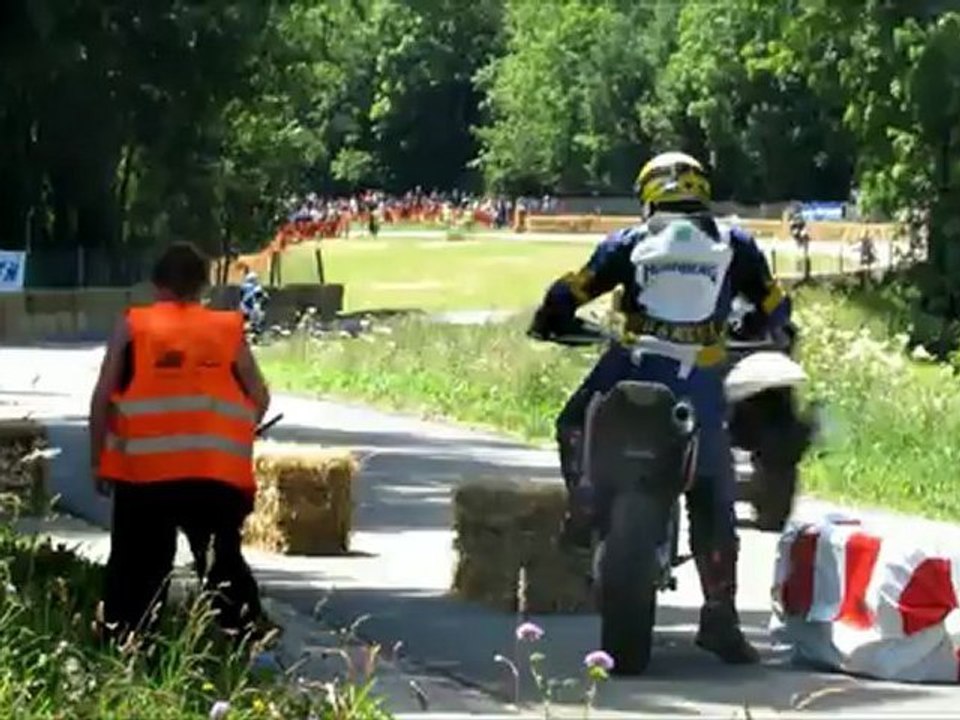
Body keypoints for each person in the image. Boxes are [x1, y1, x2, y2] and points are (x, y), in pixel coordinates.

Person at [527, 151, 794, 665]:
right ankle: (720, 615)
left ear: (649, 194)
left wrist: (550, 319)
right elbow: (774, 305)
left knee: (570, 423)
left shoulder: (629, 242)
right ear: (701, 190)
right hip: (700, 381)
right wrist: (766, 333)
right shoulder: (734, 243)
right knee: (713, 488)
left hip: (630, 368)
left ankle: (583, 506)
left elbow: (572, 289)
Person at [89, 241, 272, 644]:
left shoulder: (134, 325)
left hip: (144, 475)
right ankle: (246, 641)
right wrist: (238, 432)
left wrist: (98, 459)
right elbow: (259, 396)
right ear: (202, 286)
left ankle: (128, 642)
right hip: (212, 475)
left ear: (157, 285)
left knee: (137, 565)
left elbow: (103, 396)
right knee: (221, 562)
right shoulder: (226, 329)